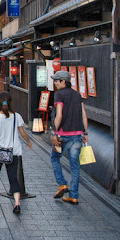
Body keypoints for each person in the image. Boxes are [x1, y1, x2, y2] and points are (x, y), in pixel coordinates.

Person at [0, 92, 32, 214]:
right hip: (13, 151)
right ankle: (17, 203)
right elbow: (23, 133)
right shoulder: (16, 116)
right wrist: (28, 141)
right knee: (13, 177)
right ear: (10, 102)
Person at [50, 70, 88, 205]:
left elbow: (59, 115)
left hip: (62, 135)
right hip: (77, 135)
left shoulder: (59, 95)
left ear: (63, 82)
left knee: (54, 158)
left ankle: (62, 184)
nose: (55, 83)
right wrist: (85, 133)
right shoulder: (78, 95)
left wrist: (54, 131)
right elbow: (84, 114)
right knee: (75, 166)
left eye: (56, 81)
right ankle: (74, 196)